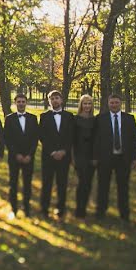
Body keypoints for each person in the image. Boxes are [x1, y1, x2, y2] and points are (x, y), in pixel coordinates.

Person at [92, 93, 136, 221]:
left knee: (123, 187)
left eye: (116, 102)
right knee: (103, 186)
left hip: (123, 159)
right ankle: (100, 212)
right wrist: (95, 157)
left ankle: (124, 214)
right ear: (108, 104)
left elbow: (135, 140)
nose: (114, 105)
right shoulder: (100, 119)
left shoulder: (129, 119)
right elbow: (95, 140)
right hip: (105, 158)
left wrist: (135, 158)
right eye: (111, 103)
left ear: (121, 104)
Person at [39, 90, 75, 219]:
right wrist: (53, 152)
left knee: (62, 183)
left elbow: (71, 136)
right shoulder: (44, 116)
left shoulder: (70, 116)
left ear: (61, 100)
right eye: (52, 98)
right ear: (49, 101)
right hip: (49, 156)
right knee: (47, 183)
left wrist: (64, 151)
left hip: (64, 156)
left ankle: (61, 208)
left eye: (57, 98)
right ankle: (44, 209)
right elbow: (42, 136)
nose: (55, 100)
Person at [4, 93, 39, 219]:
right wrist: (16, 154)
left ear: (26, 103)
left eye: (23, 101)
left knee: (27, 184)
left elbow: (35, 139)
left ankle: (27, 209)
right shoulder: (9, 118)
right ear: (15, 103)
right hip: (14, 157)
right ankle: (13, 209)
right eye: (18, 101)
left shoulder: (33, 118)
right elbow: (7, 139)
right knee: (13, 184)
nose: (21, 104)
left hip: (29, 157)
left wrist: (30, 155)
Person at [73, 94, 97, 218]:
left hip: (92, 156)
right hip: (79, 155)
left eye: (89, 103)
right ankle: (79, 209)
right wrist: (73, 158)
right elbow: (72, 140)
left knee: (88, 183)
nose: (87, 106)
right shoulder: (75, 119)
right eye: (85, 103)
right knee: (81, 182)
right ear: (81, 105)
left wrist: (95, 157)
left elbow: (98, 140)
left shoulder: (95, 120)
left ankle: (85, 207)